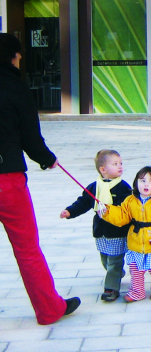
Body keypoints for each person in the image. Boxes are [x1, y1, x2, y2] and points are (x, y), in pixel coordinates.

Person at [0, 33, 80, 325]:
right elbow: (31, 139)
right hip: (7, 181)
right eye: (19, 54)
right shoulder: (16, 88)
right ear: (14, 56)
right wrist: (47, 159)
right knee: (27, 248)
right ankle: (48, 310)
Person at [60, 150, 131, 302]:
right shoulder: (94, 186)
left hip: (118, 231)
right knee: (105, 260)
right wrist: (70, 211)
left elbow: (129, 208)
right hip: (101, 230)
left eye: (120, 163)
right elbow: (84, 202)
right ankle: (116, 273)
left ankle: (111, 288)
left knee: (114, 261)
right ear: (103, 169)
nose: (120, 167)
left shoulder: (123, 187)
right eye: (115, 164)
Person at [100, 166, 151, 302]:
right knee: (135, 270)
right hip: (135, 242)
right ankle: (137, 291)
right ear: (136, 182)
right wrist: (108, 211)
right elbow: (122, 216)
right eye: (142, 180)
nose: (146, 184)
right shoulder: (130, 200)